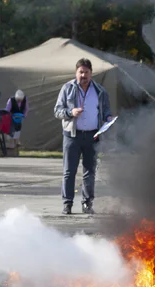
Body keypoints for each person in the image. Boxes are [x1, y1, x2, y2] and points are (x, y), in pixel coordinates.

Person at [54, 58, 114, 215]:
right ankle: (67, 203)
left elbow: (106, 110)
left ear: (91, 73)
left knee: (89, 171)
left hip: (93, 136)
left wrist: (108, 118)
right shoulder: (67, 88)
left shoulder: (100, 91)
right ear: (76, 72)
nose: (83, 75)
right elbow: (57, 110)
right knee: (69, 171)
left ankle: (87, 203)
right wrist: (70, 112)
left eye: (86, 72)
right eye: (81, 72)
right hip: (72, 136)